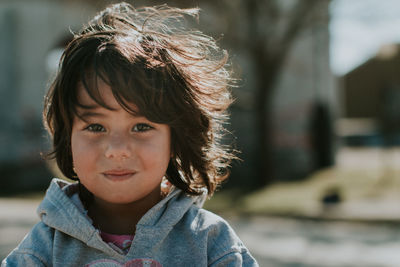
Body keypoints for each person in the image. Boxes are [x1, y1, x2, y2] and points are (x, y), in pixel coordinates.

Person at [2, 2, 258, 266]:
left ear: (175, 138)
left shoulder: (211, 243)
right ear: (68, 140)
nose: (117, 149)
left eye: (141, 127)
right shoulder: (42, 251)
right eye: (95, 127)